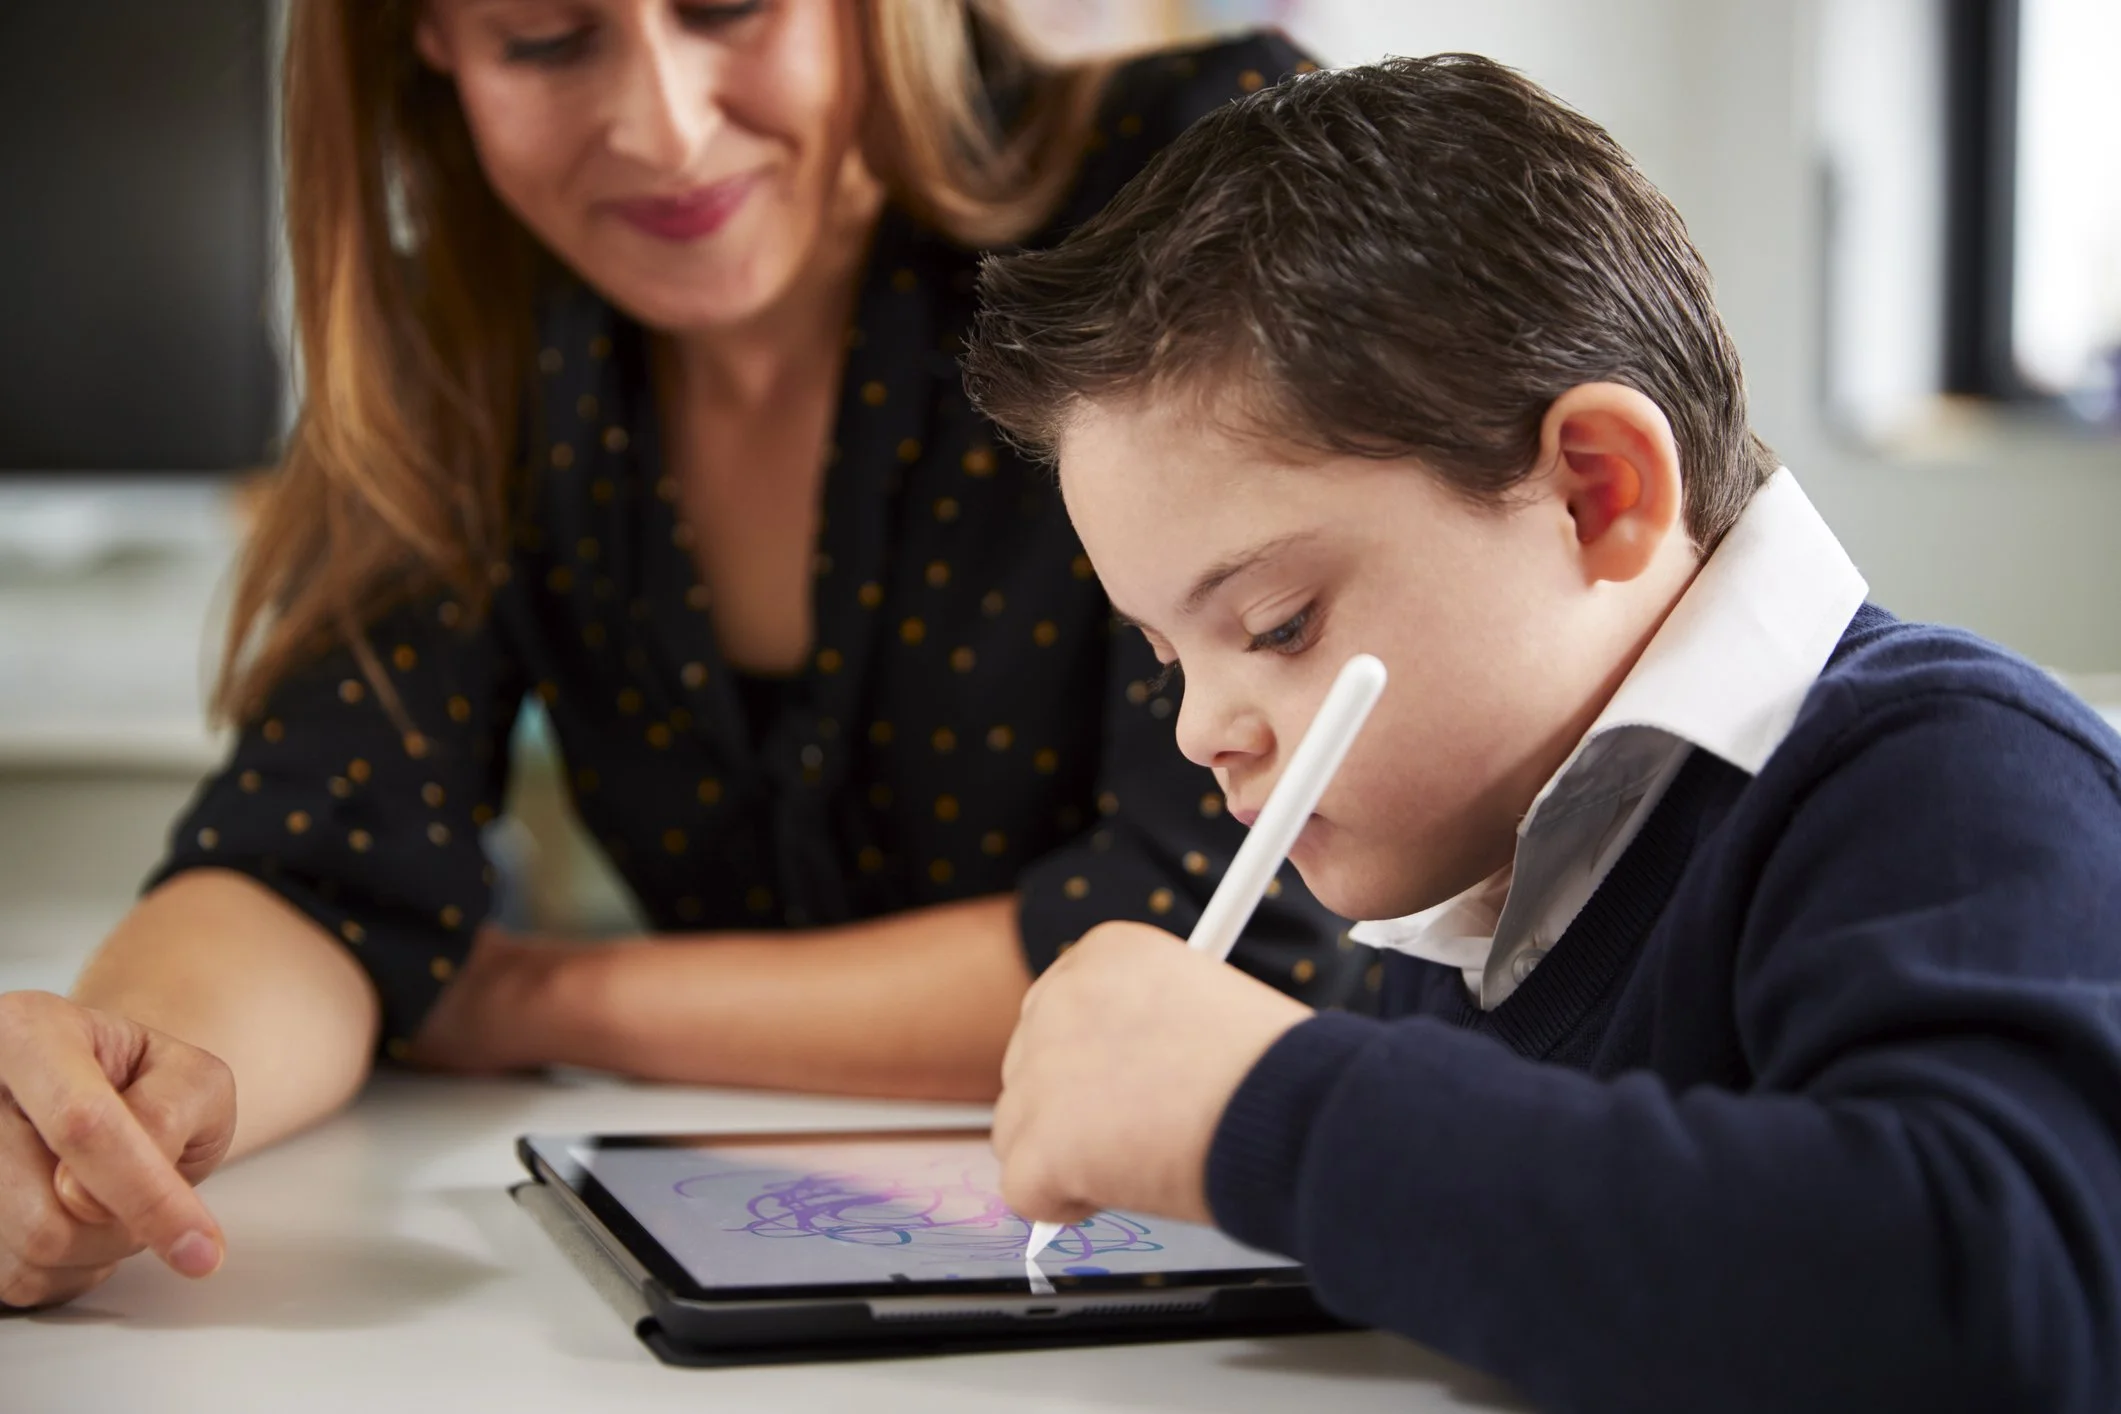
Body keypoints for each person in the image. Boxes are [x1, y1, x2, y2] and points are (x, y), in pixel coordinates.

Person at [0, 3, 1351, 1313]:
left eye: (730, 7)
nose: (667, 128)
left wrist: (535, 994)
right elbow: (313, 857)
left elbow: (1214, 938)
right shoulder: (476, 324)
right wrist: (102, 1097)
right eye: (544, 39)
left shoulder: (1188, 177)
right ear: (427, 38)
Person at [970, 53, 2121, 1413]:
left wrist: (1269, 1105)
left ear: (1596, 493)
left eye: (1277, 625)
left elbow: (2008, 1296)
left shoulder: (1951, 779)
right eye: (1167, 658)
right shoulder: (1468, 906)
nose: (1205, 729)